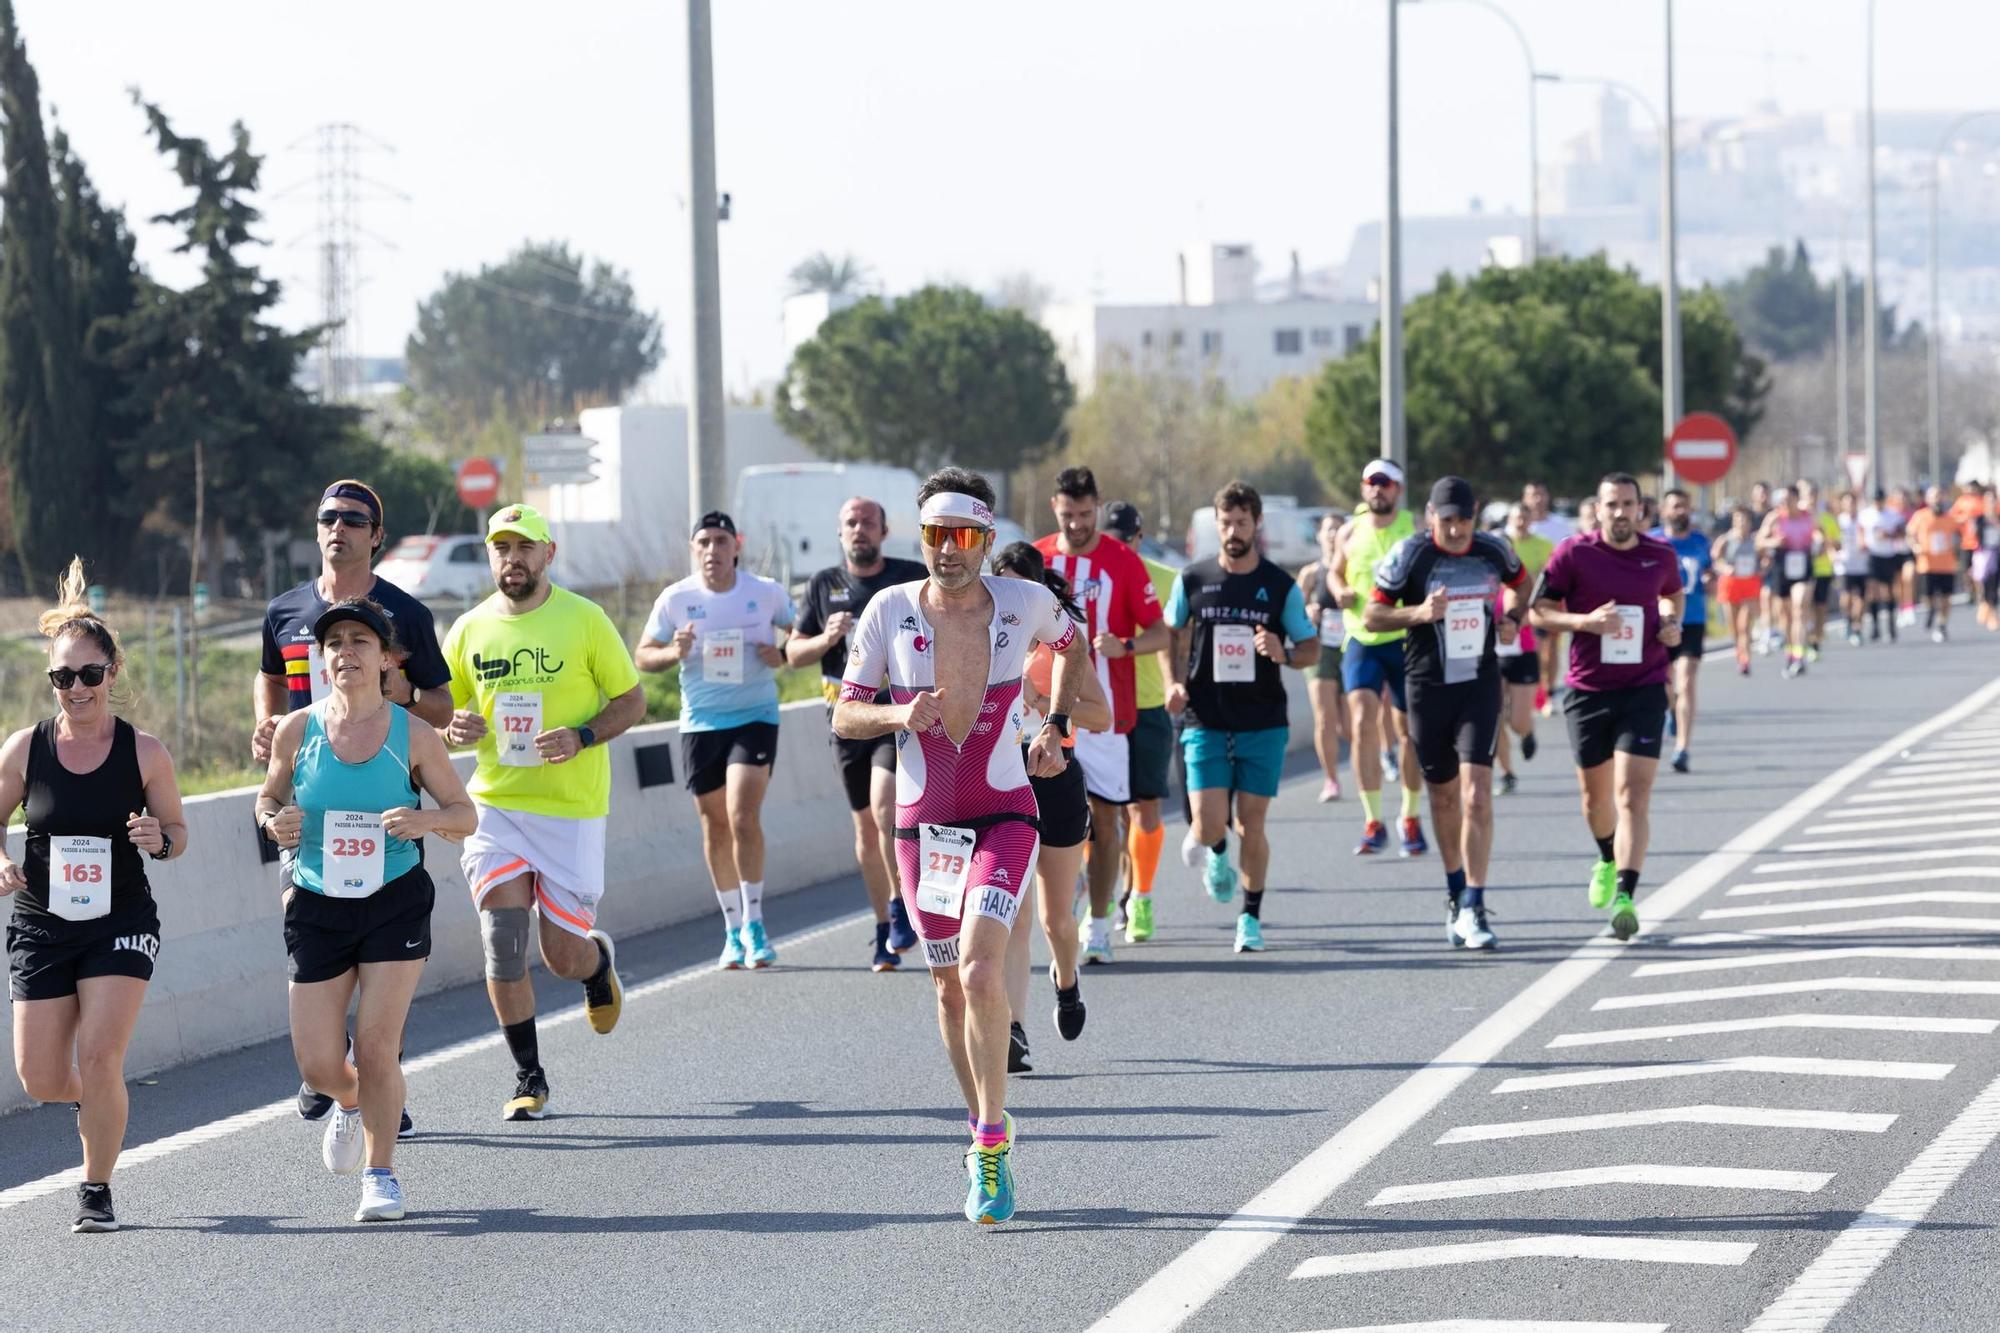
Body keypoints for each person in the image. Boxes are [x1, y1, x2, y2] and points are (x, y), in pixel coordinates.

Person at [833, 467, 1088, 1227]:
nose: (948, 550)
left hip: (1005, 812)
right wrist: (895, 715)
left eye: (963, 537)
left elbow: (1074, 644)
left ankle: (988, 1143)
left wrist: (1055, 727)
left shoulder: (1023, 602)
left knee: (981, 968)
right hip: (923, 827)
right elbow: (845, 715)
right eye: (935, 537)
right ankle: (984, 1120)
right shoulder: (888, 610)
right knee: (947, 987)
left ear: (985, 539)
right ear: (923, 540)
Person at [256, 599, 476, 1222]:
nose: (345, 651)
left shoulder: (416, 735)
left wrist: (424, 820)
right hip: (317, 902)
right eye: (333, 643)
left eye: (359, 641)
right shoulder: (297, 731)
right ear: (321, 660)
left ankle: (381, 1175)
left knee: (379, 1045)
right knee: (319, 1063)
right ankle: (349, 1101)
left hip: (393, 900)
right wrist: (276, 821)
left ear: (387, 659)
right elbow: (267, 798)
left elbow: (466, 815)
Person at [255, 479, 453, 1130]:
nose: (337, 526)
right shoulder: (283, 610)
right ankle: (336, 1068)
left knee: (379, 970)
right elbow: (271, 677)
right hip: (309, 804)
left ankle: (374, 1077)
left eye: (353, 518)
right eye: (327, 517)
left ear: (377, 536)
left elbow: (442, 707)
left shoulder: (406, 614)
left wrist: (395, 706)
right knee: (304, 917)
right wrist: (266, 725)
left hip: (382, 807)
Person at [442, 504, 646, 1121]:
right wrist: (453, 726)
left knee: (561, 955)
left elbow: (632, 700)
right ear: (489, 556)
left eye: (524, 547)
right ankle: (528, 1076)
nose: (513, 559)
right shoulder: (470, 629)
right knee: (502, 944)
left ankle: (597, 965)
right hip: (497, 806)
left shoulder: (585, 620)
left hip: (571, 810)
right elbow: (439, 715)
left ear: (548, 554)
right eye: (501, 548)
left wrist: (582, 736)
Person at [2, 559, 188, 1233]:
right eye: (61, 677)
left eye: (87, 674)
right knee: (42, 1078)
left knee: (100, 1054)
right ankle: (99, 1102)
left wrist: (153, 837)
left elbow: (178, 834)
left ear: (113, 673)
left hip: (120, 919)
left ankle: (96, 1187)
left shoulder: (146, 753)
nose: (74, 688)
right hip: (43, 921)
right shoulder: (26, 748)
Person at [1364, 479, 1526, 950]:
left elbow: (1521, 585)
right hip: (1427, 687)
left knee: (1477, 794)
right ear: (1430, 516)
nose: (1456, 530)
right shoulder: (1410, 555)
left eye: (1464, 520)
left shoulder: (1494, 550)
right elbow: (1373, 616)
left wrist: (1511, 617)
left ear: (1475, 515)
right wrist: (1417, 614)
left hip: (1478, 684)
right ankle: (1456, 892)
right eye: (1446, 520)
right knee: (1445, 799)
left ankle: (1475, 902)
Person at [1163, 482, 1319, 953]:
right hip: (1205, 717)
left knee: (1253, 823)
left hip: (1263, 720)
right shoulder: (1193, 578)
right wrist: (1173, 682)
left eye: (1242, 523)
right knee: (1209, 823)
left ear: (1257, 524)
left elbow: (1310, 647)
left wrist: (1283, 652)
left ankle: (1250, 918)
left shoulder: (1279, 585)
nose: (1233, 532)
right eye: (1225, 523)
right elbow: (1171, 635)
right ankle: (1216, 850)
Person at [636, 511, 797, 970]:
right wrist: (674, 651)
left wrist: (782, 653)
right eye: (703, 541)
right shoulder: (676, 599)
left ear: (736, 546)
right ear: (693, 550)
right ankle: (730, 930)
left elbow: (802, 630)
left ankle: (756, 924)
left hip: (755, 717)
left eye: (721, 540)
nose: (712, 549)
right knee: (714, 825)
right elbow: (643, 656)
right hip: (701, 722)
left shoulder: (764, 592)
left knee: (742, 814)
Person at [1530, 473, 1684, 942]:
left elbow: (1672, 594)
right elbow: (1539, 610)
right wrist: (1584, 622)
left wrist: (1670, 622)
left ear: (1642, 509)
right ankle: (1605, 856)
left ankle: (1625, 896)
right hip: (1588, 690)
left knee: (1632, 796)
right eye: (1612, 504)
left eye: (1628, 504)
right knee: (1596, 801)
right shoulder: (1574, 553)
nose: (1620, 513)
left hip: (1644, 685)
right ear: (1598, 509)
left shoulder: (1659, 555)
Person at [786, 498, 928, 972]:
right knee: (866, 831)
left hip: (893, 714)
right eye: (850, 522)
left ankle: (902, 904)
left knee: (886, 805)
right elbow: (793, 654)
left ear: (884, 531)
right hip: (845, 720)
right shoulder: (824, 585)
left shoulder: (907, 577)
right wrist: (826, 639)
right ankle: (884, 927)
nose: (859, 529)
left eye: (868, 522)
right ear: (840, 532)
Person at [1034, 467, 1166, 966]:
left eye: (1086, 514)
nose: (1077, 525)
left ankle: (1102, 923)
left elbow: (1159, 632)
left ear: (1097, 507)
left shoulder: (1124, 562)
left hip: (1104, 715)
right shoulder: (1039, 557)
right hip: (1043, 715)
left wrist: (1125, 645)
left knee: (1106, 821)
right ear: (1055, 508)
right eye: (1068, 515)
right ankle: (1060, 904)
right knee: (1043, 821)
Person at [991, 543, 1109, 1071]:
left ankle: (1067, 983)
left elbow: (1103, 716)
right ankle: (1014, 1030)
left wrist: (1043, 705)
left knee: (1056, 918)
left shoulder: (1060, 649)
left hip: (1056, 778)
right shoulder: (985, 642)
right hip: (1002, 782)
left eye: (1021, 587)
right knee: (1013, 914)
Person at [1329, 459, 1426, 857]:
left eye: (1384, 484)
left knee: (1408, 732)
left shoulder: (1415, 528)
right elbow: (1335, 572)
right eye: (1370, 483)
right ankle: (1372, 820)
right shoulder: (1351, 531)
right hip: (1361, 638)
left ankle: (1410, 815)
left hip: (1405, 637)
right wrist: (1339, 590)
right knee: (1363, 721)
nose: (1376, 490)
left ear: (1398, 489)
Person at [1100, 501, 1180, 945]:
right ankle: (1110, 893)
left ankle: (1141, 896)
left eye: (1126, 538)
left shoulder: (1165, 578)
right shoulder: (1089, 577)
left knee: (1143, 808)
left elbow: (1173, 640)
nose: (1120, 546)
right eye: (1111, 539)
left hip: (1148, 705)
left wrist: (1174, 684)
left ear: (1139, 536)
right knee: (1106, 812)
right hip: (1102, 707)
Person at [1651, 489, 1712, 774]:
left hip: (1693, 618)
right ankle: (1670, 710)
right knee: (1665, 684)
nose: (1680, 512)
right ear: (1664, 511)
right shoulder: (1652, 541)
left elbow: (1710, 574)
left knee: (1686, 680)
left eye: (1684, 507)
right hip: (1660, 620)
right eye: (1675, 507)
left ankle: (1682, 748)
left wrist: (1711, 579)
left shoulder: (1700, 541)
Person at [1495, 504, 1552, 794]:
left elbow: (1538, 612)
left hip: (1522, 653)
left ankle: (1527, 733)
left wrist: (1516, 618)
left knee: (1516, 721)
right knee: (1493, 718)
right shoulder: (1478, 586)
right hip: (1490, 659)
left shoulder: (1521, 585)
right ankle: (1507, 773)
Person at [1296, 512, 1351, 805]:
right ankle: (1331, 779)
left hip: (1351, 646)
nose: (1332, 535)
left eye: (1338, 529)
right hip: (1320, 649)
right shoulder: (1310, 573)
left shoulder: (1351, 570)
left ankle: (1373, 761)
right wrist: (1307, 613)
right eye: (1328, 530)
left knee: (1349, 725)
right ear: (1319, 535)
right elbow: (1292, 611)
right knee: (1325, 718)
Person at [1756, 485, 1819, 677]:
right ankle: (1791, 653)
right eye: (1781, 500)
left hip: (1802, 564)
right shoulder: (1774, 517)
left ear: (1796, 499)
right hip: (1781, 566)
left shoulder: (1808, 515)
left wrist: (1820, 542)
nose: (1784, 504)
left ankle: (1799, 657)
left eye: (1788, 499)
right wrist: (1772, 542)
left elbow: (1818, 533)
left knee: (1799, 608)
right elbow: (1759, 541)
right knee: (1785, 616)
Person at [1713, 506, 1764, 675]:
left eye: (1745, 519)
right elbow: (1715, 559)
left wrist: (1762, 569)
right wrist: (1725, 568)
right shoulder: (1726, 540)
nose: (1741, 523)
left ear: (1750, 522)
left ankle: (1746, 659)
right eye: (1738, 519)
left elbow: (1766, 559)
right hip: (1730, 584)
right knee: (1734, 627)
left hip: (1749, 584)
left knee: (1744, 625)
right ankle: (1738, 652)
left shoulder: (1756, 540)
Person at [1908, 486, 1958, 642]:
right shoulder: (1920, 516)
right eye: (1934, 497)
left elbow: (1960, 535)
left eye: (1940, 496)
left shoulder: (1950, 518)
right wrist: (1915, 546)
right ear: (1928, 500)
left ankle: (1941, 624)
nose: (1938, 500)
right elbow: (1910, 534)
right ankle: (1930, 609)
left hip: (1947, 564)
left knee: (1946, 598)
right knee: (1928, 596)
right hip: (1927, 564)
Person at [1858, 488, 1907, 642]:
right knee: (1872, 591)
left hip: (1888, 555)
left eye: (1880, 500)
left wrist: (1889, 535)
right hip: (1873, 555)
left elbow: (1902, 532)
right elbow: (1860, 531)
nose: (1877, 503)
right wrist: (1862, 543)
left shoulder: (1892, 515)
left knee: (1889, 591)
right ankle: (1875, 626)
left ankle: (1891, 624)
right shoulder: (1865, 515)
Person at [1800, 480, 1840, 661]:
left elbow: (1838, 544)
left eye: (1813, 496)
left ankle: (1817, 636)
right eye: (1808, 495)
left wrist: (1826, 540)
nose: (1811, 499)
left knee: (1821, 606)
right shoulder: (1798, 518)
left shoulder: (1827, 519)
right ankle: (1807, 638)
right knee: (1804, 604)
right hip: (1802, 569)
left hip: (1823, 568)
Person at [1835, 490, 1874, 646]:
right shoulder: (1839, 521)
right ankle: (1847, 619)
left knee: (1861, 599)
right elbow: (1832, 541)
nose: (1850, 505)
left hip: (1861, 565)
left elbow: (1872, 538)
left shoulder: (1863, 520)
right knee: (1846, 598)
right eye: (1847, 502)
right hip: (1843, 566)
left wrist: (1866, 544)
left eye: (1852, 502)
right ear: (1842, 504)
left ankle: (1857, 628)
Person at [1974, 488, 2000, 632]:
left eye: (1993, 500)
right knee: (1985, 584)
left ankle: (1993, 614)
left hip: (1997, 553)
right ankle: (1985, 607)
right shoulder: (1980, 519)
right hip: (1984, 555)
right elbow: (1974, 537)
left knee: (1994, 584)